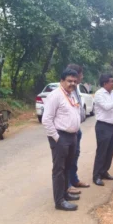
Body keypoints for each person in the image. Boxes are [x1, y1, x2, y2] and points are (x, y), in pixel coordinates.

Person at [42, 68, 81, 211]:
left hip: (72, 136)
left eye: (75, 81)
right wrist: (57, 138)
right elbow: (46, 120)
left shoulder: (71, 95)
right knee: (59, 169)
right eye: (69, 81)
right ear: (62, 81)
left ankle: (65, 194)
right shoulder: (55, 95)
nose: (72, 84)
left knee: (68, 167)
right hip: (60, 137)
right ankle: (59, 201)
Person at [65, 64, 90, 196]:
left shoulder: (76, 90)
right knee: (68, 159)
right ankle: (67, 185)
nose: (82, 77)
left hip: (76, 129)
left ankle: (74, 180)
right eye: (81, 74)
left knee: (75, 155)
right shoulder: (65, 92)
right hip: (67, 132)